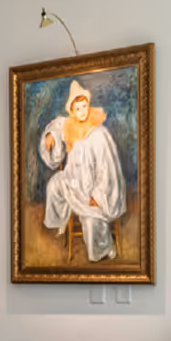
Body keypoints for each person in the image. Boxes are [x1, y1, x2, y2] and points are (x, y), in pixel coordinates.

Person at [39, 80, 126, 261]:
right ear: (72, 110)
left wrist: (98, 194)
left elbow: (106, 168)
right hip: (73, 180)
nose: (82, 111)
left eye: (84, 106)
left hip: (94, 187)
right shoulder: (69, 125)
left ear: (88, 105)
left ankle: (103, 249)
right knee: (53, 185)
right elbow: (57, 125)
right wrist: (50, 136)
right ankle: (62, 220)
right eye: (77, 108)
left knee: (91, 219)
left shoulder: (99, 133)